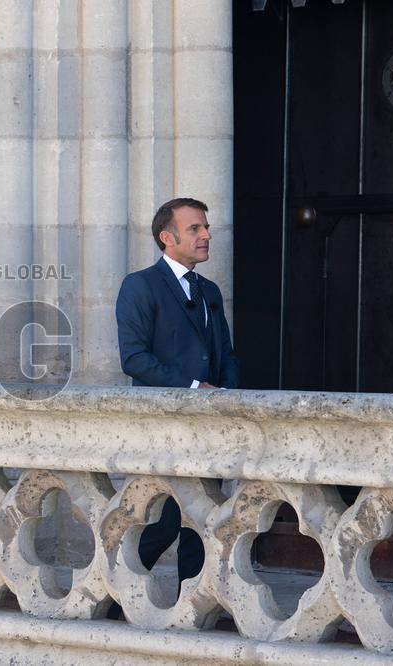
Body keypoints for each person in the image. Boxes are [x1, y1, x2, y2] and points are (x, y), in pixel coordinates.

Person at [114, 197, 239, 602]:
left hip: (208, 428)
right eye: (194, 229)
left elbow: (225, 355)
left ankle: (193, 606)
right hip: (163, 429)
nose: (205, 235)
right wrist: (193, 387)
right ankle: (115, 598)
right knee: (163, 522)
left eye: (205, 227)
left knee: (201, 523)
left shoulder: (210, 290)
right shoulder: (140, 285)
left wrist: (234, 404)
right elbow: (134, 358)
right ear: (167, 238)